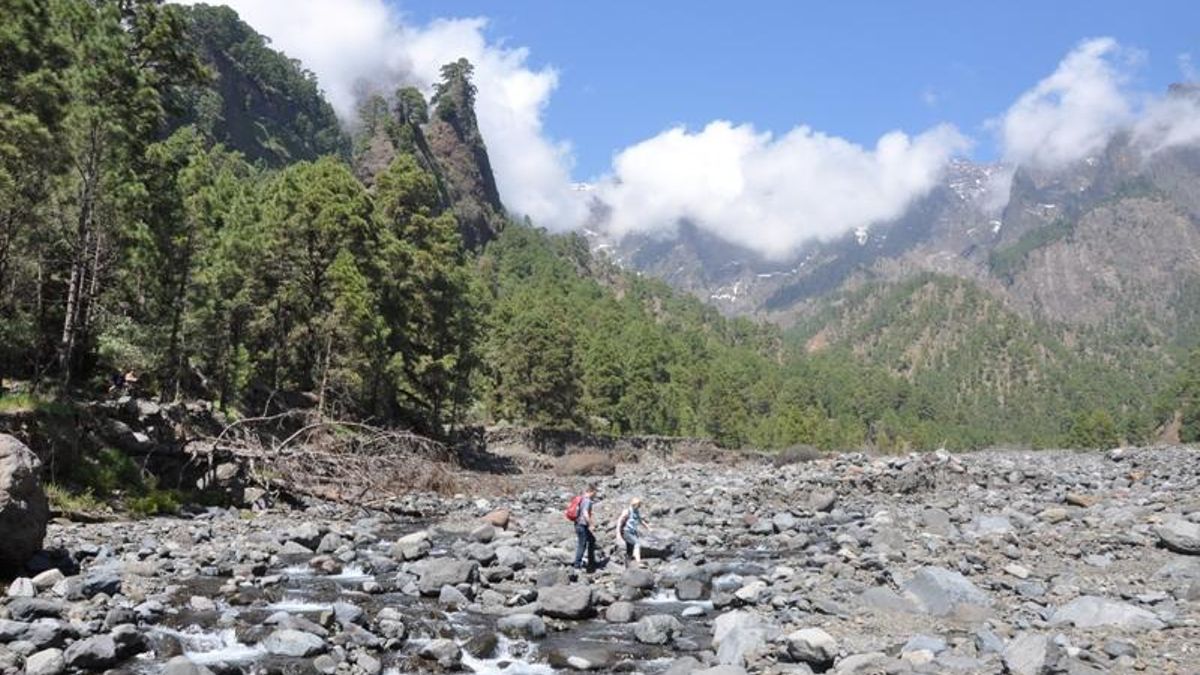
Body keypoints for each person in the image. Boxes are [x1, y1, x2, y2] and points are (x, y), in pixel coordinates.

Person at [616, 497, 650, 565]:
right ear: (634, 504)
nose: (639, 506)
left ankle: (627, 565)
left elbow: (640, 520)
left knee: (629, 550)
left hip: (632, 532)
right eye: (638, 505)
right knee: (637, 543)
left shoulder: (636, 511)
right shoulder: (627, 511)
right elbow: (620, 521)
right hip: (626, 531)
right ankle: (638, 562)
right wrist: (618, 533)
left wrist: (647, 527)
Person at [572, 484, 598, 573]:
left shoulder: (582, 498)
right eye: (595, 493)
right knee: (582, 545)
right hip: (582, 525)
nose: (595, 495)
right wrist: (591, 524)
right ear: (592, 492)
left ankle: (591, 562)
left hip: (578, 524)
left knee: (592, 540)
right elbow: (585, 513)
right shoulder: (587, 501)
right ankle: (577, 565)